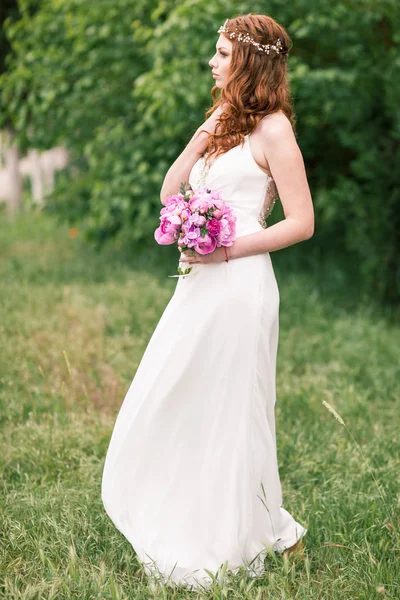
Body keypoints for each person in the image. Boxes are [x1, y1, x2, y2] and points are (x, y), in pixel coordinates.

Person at [101, 13, 314, 591]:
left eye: (222, 54)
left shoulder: (274, 130)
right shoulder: (224, 125)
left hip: (241, 285)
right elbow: (173, 190)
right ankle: (262, 524)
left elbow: (302, 223)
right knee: (172, 389)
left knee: (235, 407)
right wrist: (210, 124)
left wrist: (227, 251)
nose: (212, 63)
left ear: (247, 61)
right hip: (198, 285)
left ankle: (251, 529)